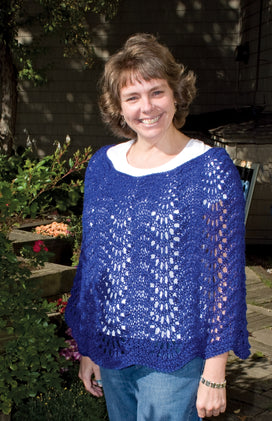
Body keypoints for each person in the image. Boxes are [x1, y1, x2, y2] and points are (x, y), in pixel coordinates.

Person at [65, 33, 250, 421]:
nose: (146, 107)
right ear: (118, 107)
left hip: (176, 355)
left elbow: (224, 277)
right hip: (113, 348)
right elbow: (95, 265)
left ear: (177, 94)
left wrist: (215, 373)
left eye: (156, 92)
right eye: (132, 97)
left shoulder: (210, 169)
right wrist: (89, 348)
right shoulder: (102, 166)